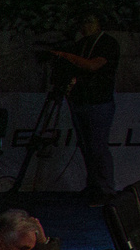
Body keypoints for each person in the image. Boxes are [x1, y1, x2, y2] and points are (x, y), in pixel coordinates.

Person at [38, 11, 121, 205]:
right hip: (79, 100)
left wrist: (64, 56)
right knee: (86, 146)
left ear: (99, 23)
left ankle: (106, 189)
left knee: (98, 147)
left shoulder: (107, 43)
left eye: (89, 21)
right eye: (83, 22)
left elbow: (93, 66)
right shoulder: (80, 44)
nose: (85, 26)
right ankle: (94, 186)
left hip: (98, 101)